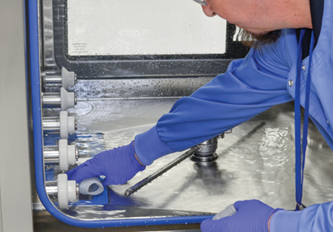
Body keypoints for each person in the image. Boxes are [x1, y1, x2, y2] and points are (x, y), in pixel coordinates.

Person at [67, 0, 333, 231]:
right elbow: (231, 96)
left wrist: (283, 226)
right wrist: (138, 152)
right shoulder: (293, 40)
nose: (208, 11)